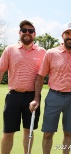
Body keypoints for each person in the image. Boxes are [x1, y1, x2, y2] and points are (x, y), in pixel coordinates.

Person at [29, 22, 71, 154]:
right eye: (67, 33)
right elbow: (40, 76)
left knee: (68, 133)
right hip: (54, 96)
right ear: (62, 35)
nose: (70, 36)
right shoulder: (51, 53)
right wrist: (36, 98)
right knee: (48, 133)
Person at [0, 20, 46, 154]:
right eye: (24, 30)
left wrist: (36, 98)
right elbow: (1, 69)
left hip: (32, 97)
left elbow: (41, 75)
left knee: (29, 131)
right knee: (8, 132)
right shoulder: (10, 49)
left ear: (34, 34)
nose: (27, 33)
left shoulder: (42, 52)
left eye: (30, 31)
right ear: (19, 32)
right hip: (13, 96)